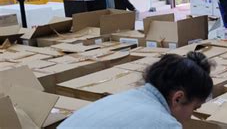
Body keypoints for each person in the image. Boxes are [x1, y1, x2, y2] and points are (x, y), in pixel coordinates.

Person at [58, 52, 213, 128]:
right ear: (178, 98)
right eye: (194, 108)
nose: (190, 116)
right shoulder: (164, 124)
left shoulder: (125, 98)